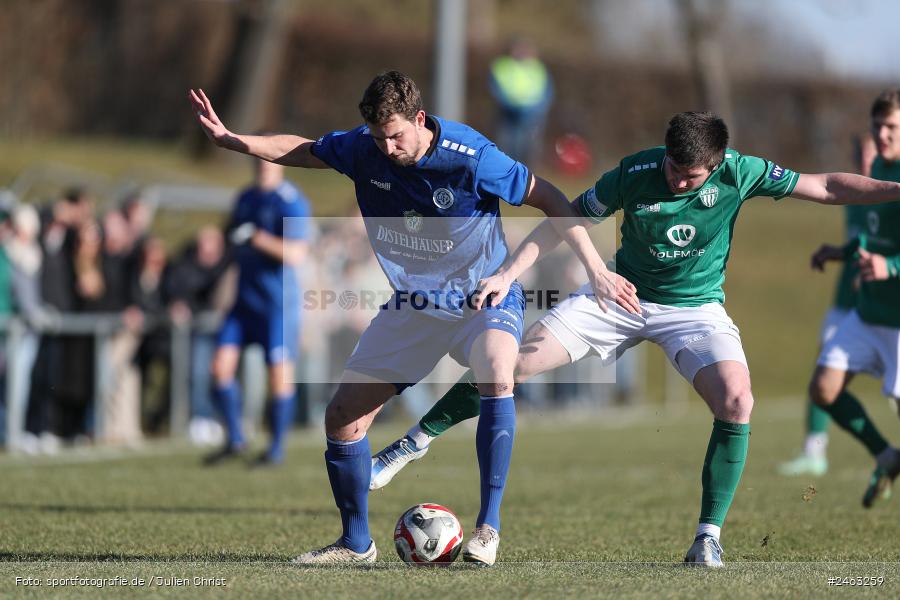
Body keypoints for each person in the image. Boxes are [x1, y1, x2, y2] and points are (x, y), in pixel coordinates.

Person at [370, 111, 900, 567]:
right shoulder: (638, 171)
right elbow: (562, 220)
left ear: (716, 166)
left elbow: (827, 186)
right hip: (616, 296)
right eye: (673, 168)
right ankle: (411, 444)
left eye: (691, 177)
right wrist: (508, 275)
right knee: (508, 363)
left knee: (738, 400)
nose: (678, 182)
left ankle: (706, 540)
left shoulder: (743, 172)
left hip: (695, 311)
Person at [190, 70, 621, 565]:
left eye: (396, 135)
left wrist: (593, 268)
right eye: (379, 137)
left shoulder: (471, 155)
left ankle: (488, 528)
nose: (388, 147)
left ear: (420, 119)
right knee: (342, 421)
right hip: (415, 304)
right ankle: (355, 543)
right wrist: (236, 141)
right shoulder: (363, 148)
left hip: (483, 295)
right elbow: (306, 150)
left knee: (498, 371)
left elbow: (548, 196)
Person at [807, 89, 900, 508]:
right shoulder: (878, 167)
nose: (882, 133)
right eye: (877, 125)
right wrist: (840, 251)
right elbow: (873, 234)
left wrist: (891, 267)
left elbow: (887, 253)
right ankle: (886, 456)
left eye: (892, 127)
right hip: (868, 314)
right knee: (823, 389)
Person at [201, 156, 311, 468]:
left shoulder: (291, 202)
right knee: (219, 367)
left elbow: (296, 253)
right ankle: (236, 438)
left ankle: (276, 449)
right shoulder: (245, 198)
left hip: (276, 306)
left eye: (268, 161)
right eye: (258, 161)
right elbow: (231, 239)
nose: (263, 167)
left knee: (278, 375)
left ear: (280, 164)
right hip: (243, 302)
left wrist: (257, 238)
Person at [777, 135, 875, 477]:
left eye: (871, 149)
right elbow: (861, 241)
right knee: (824, 377)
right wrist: (840, 253)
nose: (863, 156)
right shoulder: (853, 194)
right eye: (858, 150)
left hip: (884, 304)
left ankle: (883, 453)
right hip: (847, 303)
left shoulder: (891, 192)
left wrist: (880, 268)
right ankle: (814, 451)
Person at [489, 37, 553, 164]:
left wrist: (537, 109)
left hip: (532, 115)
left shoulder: (537, 67)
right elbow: (496, 88)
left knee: (529, 149)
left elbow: (547, 91)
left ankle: (527, 175)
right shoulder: (503, 65)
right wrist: (510, 105)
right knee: (507, 147)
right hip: (508, 113)